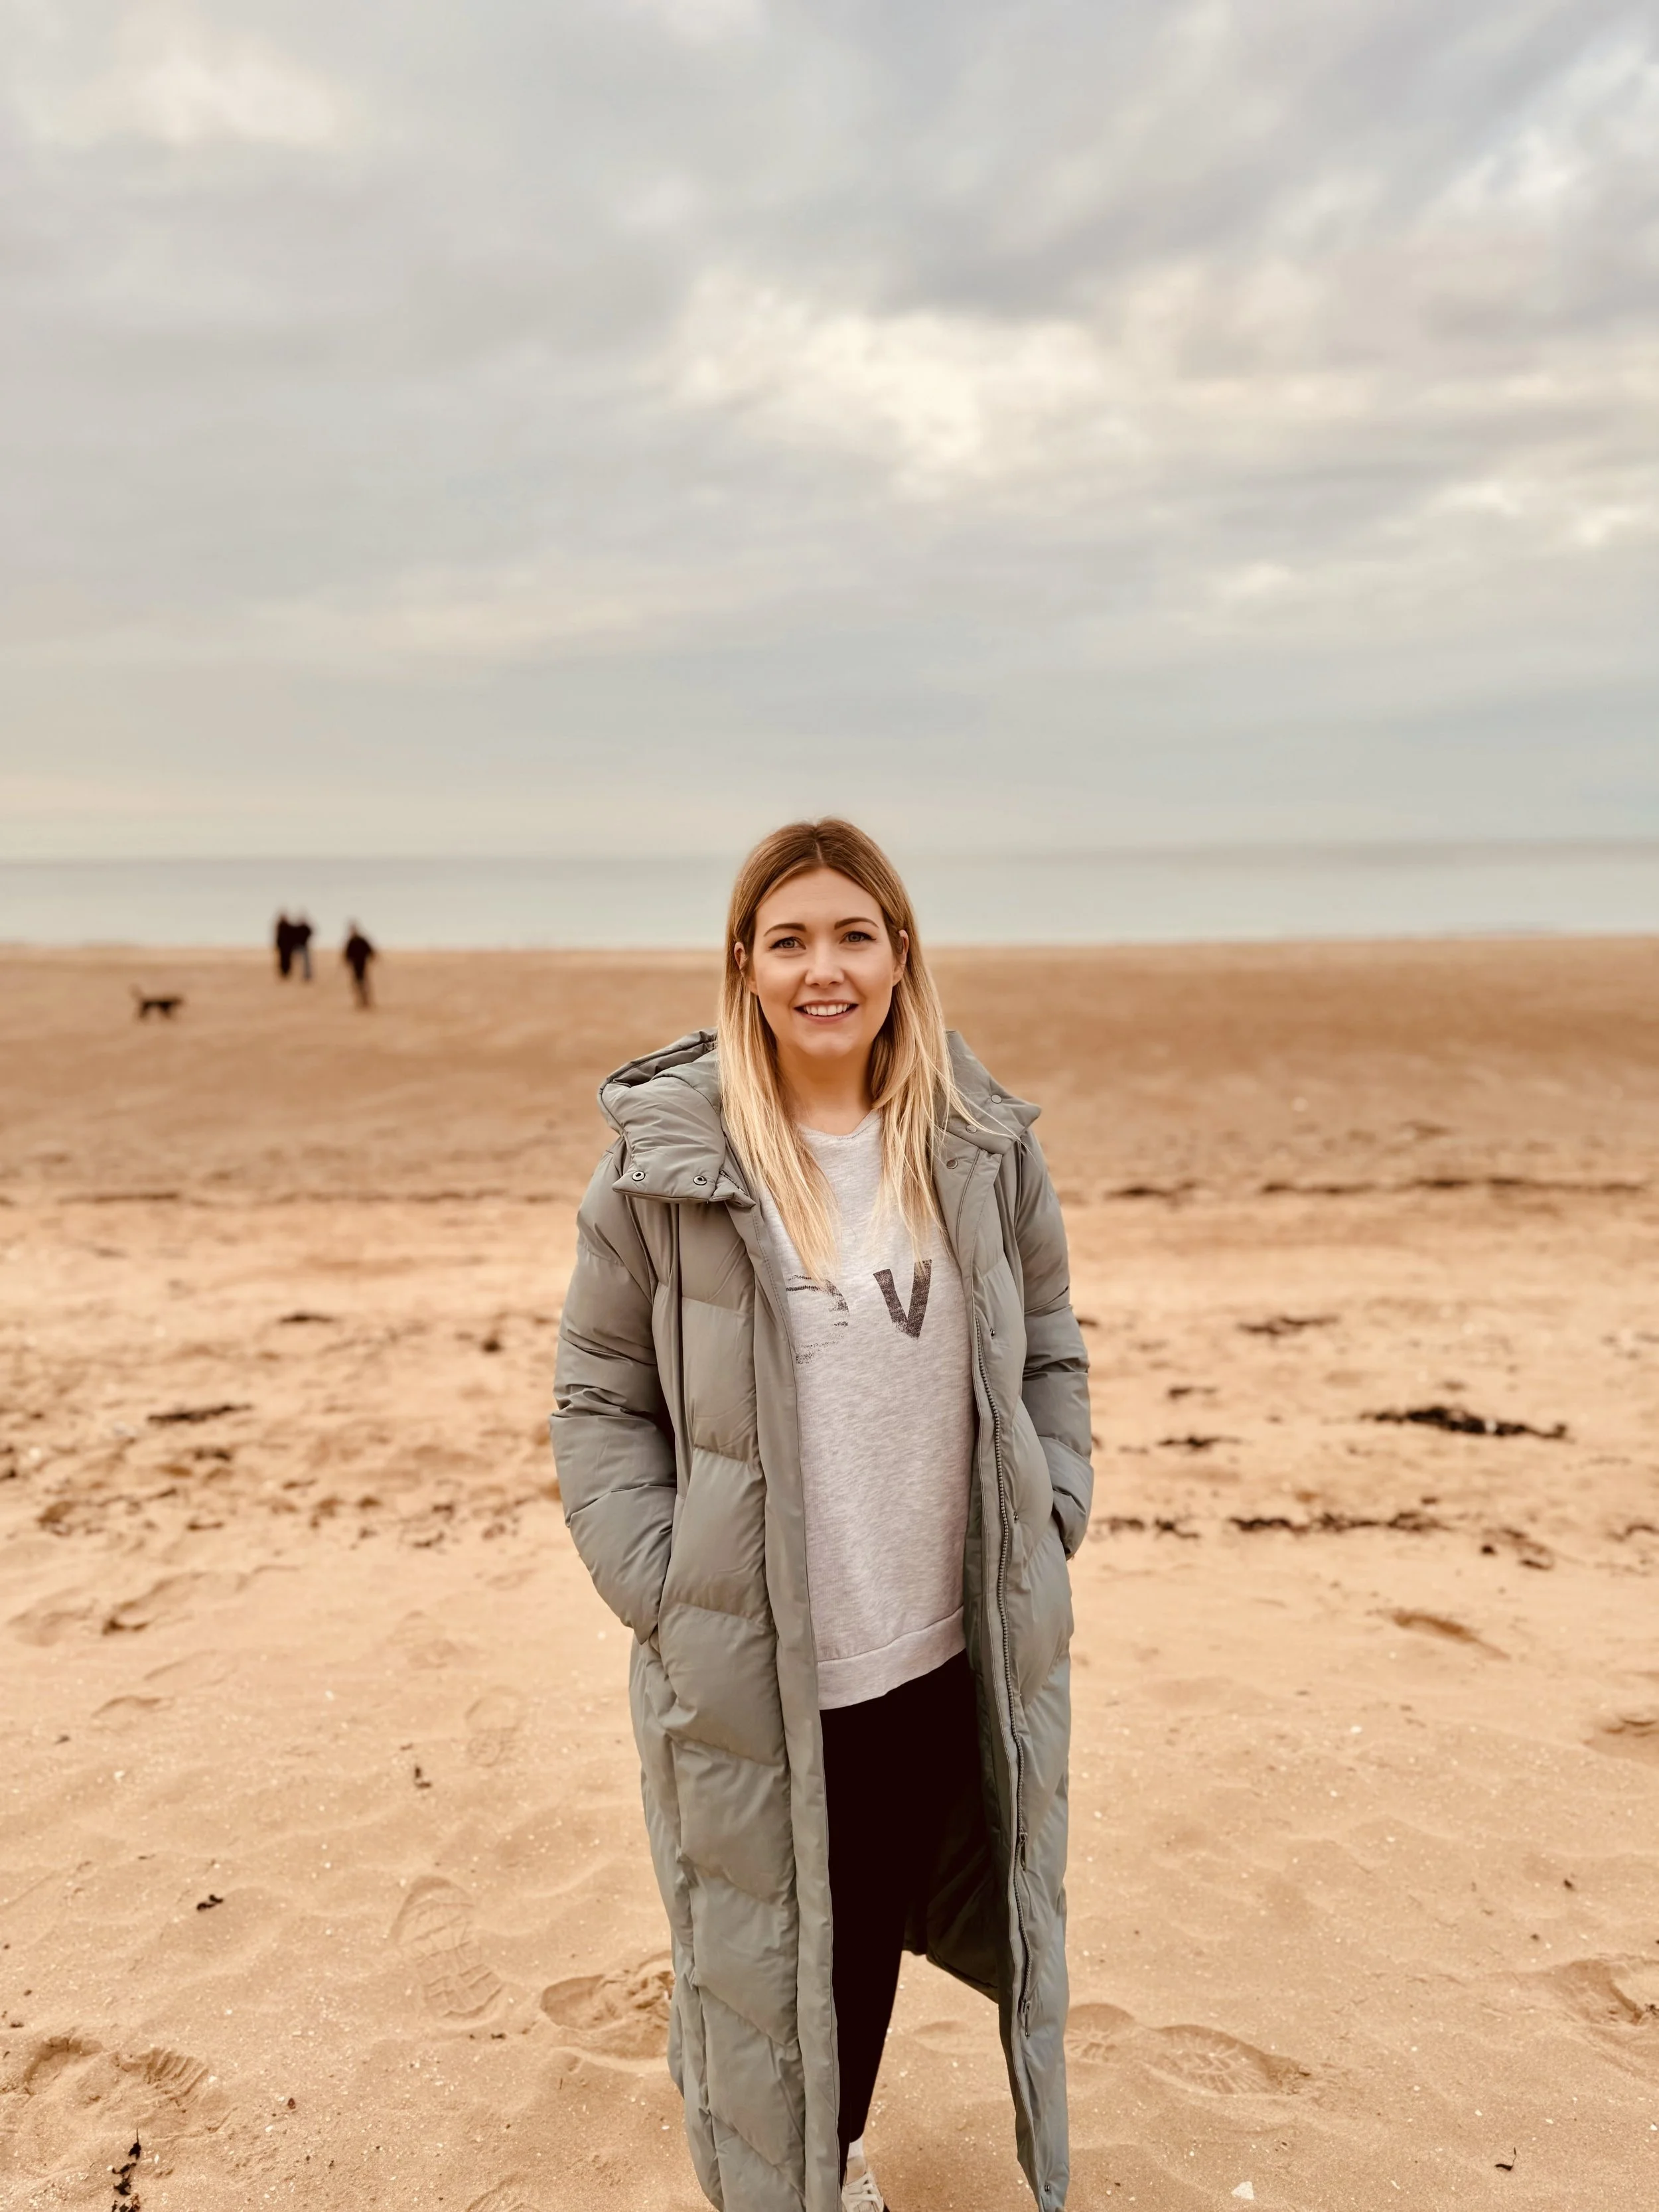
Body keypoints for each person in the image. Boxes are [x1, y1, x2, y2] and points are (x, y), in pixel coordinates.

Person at [552, 820, 1090, 2212]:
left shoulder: (977, 1147)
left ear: (899, 959)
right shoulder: (667, 1170)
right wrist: (662, 1579)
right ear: (744, 966)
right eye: (787, 940)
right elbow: (597, 1396)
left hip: (943, 1636)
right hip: (758, 1644)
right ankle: (788, 2180)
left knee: (857, 1938)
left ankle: (829, 2149)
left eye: (852, 935)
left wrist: (1053, 1506)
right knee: (757, 1942)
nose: (821, 968)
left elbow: (1046, 1350)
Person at [342, 922, 375, 1008]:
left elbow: (369, 949)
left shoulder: (361, 940)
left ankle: (366, 1001)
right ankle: (359, 1001)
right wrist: (346, 960)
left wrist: (372, 956)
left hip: (362, 964)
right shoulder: (351, 941)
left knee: (363, 983)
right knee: (356, 984)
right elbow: (347, 953)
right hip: (355, 965)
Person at [290, 913, 315, 981]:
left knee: (306, 962)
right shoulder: (296, 928)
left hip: (304, 947)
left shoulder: (306, 928)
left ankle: (307, 975)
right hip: (296, 948)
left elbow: (310, 933)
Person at [273, 911, 293, 979]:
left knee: (287, 961)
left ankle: (287, 973)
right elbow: (278, 937)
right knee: (282, 961)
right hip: (282, 947)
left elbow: (292, 936)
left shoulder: (288, 926)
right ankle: (283, 973)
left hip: (288, 947)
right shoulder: (280, 926)